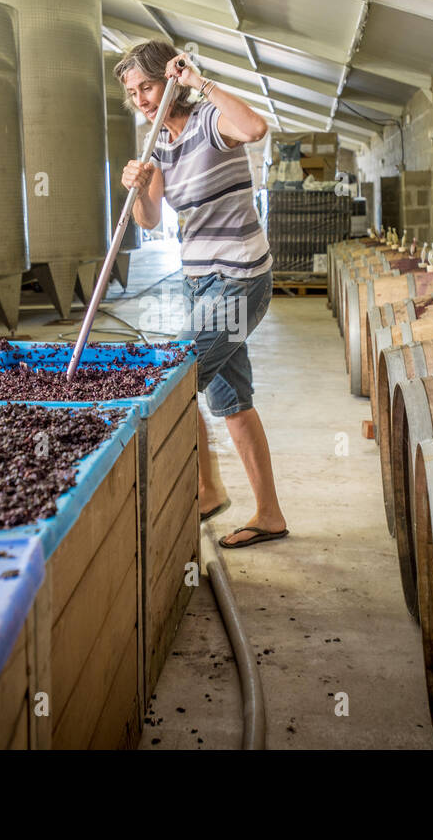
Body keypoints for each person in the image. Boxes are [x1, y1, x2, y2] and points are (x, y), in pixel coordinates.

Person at [115, 40, 288, 549]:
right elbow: (149, 218)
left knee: (173, 379)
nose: (142, 98)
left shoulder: (211, 120)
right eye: (133, 92)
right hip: (198, 282)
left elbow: (256, 129)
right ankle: (258, 510)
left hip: (238, 281)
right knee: (231, 401)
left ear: (169, 78)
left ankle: (198, 489)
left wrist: (200, 81)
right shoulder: (159, 146)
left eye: (147, 85)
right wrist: (138, 184)